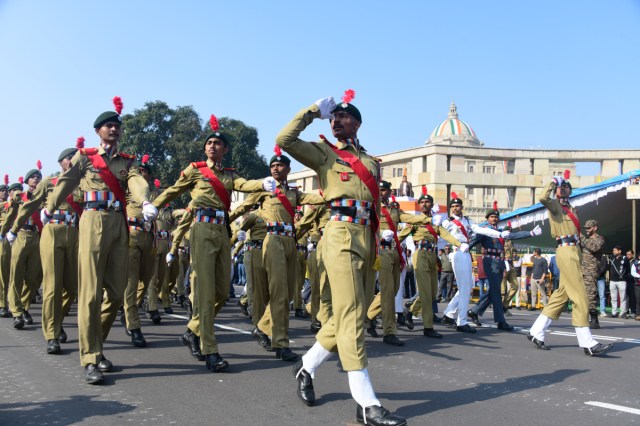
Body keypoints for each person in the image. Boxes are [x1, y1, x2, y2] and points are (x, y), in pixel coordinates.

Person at [277, 93, 406, 425]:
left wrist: (381, 237)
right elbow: (284, 140)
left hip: (366, 237)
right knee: (350, 318)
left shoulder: (372, 163)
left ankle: (306, 365)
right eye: (332, 118)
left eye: (343, 117)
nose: (336, 121)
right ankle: (366, 404)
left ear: (357, 124)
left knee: (354, 313)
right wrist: (312, 112)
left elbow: (375, 204)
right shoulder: (324, 153)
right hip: (340, 234)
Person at [42, 99, 158, 383]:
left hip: (118, 223)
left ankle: (97, 343)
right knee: (90, 294)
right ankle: (91, 358)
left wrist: (144, 202)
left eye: (117, 126)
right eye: (109, 126)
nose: (114, 130)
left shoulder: (127, 161)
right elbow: (67, 180)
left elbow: (135, 180)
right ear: (98, 130)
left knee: (116, 293)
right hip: (92, 221)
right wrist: (50, 207)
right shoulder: (85, 157)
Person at [151, 114, 266, 372]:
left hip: (222, 230)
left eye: (218, 143)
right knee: (203, 292)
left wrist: (264, 182)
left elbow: (245, 184)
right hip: (201, 228)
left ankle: (192, 330)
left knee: (222, 292)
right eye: (209, 142)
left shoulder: (229, 174)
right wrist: (153, 205)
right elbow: (173, 190)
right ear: (205, 148)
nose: (213, 146)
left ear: (225, 150)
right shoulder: (195, 171)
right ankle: (210, 350)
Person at [229, 149, 325, 361]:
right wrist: (226, 223)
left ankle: (263, 328)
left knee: (290, 292)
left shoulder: (293, 192)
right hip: (272, 240)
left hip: (291, 240)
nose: (275, 168)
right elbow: (243, 207)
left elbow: (313, 199)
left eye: (280, 165)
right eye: (272, 166)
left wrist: (328, 195)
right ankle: (280, 343)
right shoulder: (265, 190)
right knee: (279, 292)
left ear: (288, 169)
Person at [527, 171, 613, 356]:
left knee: (561, 296)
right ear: (556, 191)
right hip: (566, 251)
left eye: (566, 186)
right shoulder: (555, 206)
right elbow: (542, 197)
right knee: (580, 296)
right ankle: (587, 342)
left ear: (570, 191)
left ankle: (536, 331)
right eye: (561, 186)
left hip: (575, 251)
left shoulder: (572, 209)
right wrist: (552, 181)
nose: (563, 187)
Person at [9, 147, 82, 353]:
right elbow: (29, 206)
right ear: (61, 163)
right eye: (70, 158)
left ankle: (56, 321)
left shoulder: (83, 183)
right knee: (52, 286)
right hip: (52, 233)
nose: (73, 161)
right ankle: (52, 334)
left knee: (73, 288)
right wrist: (14, 229)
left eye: (76, 158)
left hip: (74, 234)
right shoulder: (49, 184)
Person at [365, 181, 433, 346]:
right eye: (379, 190)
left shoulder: (394, 208)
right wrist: (381, 233)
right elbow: (366, 226)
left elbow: (408, 217)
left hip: (395, 251)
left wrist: (426, 216)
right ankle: (389, 332)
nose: (381, 193)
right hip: (381, 250)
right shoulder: (370, 206)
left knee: (394, 290)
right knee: (388, 292)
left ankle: (367, 317)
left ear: (389, 191)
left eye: (384, 190)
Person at [441, 193, 508, 333]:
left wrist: (499, 234)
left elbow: (480, 230)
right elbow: (440, 235)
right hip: (457, 251)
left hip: (466, 252)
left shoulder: (467, 220)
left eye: (457, 206)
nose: (455, 208)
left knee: (468, 285)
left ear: (461, 207)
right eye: (452, 206)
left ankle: (448, 313)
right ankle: (462, 321)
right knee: (465, 287)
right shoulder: (448, 222)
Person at [398, 191, 461, 338]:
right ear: (419, 205)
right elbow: (402, 235)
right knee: (426, 293)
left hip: (433, 256)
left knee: (432, 293)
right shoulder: (415, 220)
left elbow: (445, 234)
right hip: (420, 255)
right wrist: (386, 242)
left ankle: (411, 310)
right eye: (422, 202)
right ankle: (428, 327)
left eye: (427, 202)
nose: (424, 204)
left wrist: (459, 244)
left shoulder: (436, 221)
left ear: (432, 205)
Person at [467, 206, 538, 330]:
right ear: (487, 219)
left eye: (496, 217)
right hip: (490, 261)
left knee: (493, 291)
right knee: (496, 292)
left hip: (500, 262)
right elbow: (472, 242)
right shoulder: (484, 231)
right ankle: (500, 321)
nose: (494, 219)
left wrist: (530, 233)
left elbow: (514, 235)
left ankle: (474, 311)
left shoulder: (500, 231)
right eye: (492, 217)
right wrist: (461, 249)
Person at [5, 165, 44, 329]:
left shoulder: (45, 194)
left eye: (38, 177)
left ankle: (24, 306)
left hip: (37, 236)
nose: (36, 179)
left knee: (33, 277)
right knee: (16, 276)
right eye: (33, 177)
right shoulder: (21, 196)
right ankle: (16, 312)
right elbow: (11, 208)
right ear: (27, 181)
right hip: (21, 235)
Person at [580, 219, 604, 328]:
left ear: (595, 228)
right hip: (583, 270)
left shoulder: (599, 239)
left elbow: (593, 247)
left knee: (590, 295)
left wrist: (581, 237)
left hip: (591, 271)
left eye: (589, 228)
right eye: (586, 228)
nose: (587, 230)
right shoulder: (586, 240)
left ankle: (594, 319)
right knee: (583, 295)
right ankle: (585, 318)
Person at [607, 245, 629, 318]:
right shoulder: (612, 259)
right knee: (614, 298)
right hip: (612, 281)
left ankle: (622, 312)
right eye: (613, 250)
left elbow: (628, 269)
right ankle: (614, 312)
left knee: (623, 297)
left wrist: (624, 276)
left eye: (615, 250)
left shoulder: (624, 258)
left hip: (621, 281)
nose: (614, 252)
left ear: (619, 251)